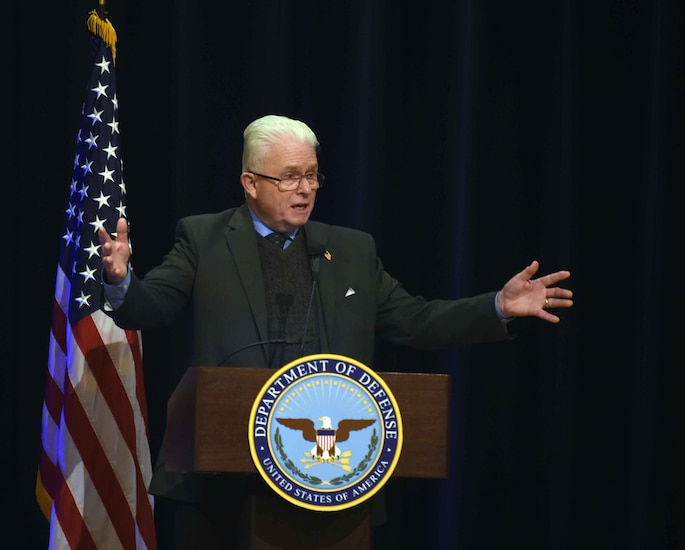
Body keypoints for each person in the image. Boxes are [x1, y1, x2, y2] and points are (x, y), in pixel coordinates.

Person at [98, 114, 573, 548]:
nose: (304, 189)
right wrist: (121, 283)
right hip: (223, 485)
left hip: (332, 486)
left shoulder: (348, 251)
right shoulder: (203, 240)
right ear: (250, 183)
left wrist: (497, 307)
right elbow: (153, 306)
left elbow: (415, 320)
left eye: (311, 175)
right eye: (288, 177)